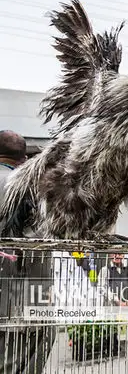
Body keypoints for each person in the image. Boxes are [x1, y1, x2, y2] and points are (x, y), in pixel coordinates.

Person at [0, 130, 56, 373]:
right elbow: (40, 238)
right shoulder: (28, 187)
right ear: (23, 159)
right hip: (21, 290)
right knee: (34, 339)